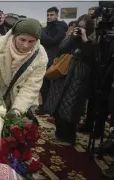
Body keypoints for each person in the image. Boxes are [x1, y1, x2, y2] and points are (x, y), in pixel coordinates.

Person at [44, 14, 96, 145]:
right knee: (57, 104)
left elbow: (90, 58)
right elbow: (61, 49)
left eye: (83, 27)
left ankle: (69, 137)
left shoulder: (93, 41)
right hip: (63, 74)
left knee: (70, 108)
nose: (80, 29)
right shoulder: (72, 36)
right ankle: (59, 132)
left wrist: (85, 39)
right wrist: (72, 36)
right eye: (79, 26)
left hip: (78, 78)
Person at [0, 18, 48, 115]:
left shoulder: (41, 56)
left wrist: (17, 110)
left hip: (24, 99)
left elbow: (31, 86)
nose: (26, 45)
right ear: (14, 36)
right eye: (22, 39)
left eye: (31, 41)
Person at [37, 7, 68, 115]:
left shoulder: (61, 27)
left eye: (52, 15)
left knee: (54, 87)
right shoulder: (46, 28)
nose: (49, 17)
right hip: (45, 58)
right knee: (43, 85)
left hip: (55, 60)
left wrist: (41, 32)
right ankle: (45, 106)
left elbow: (51, 41)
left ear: (57, 15)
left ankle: (52, 108)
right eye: (48, 15)